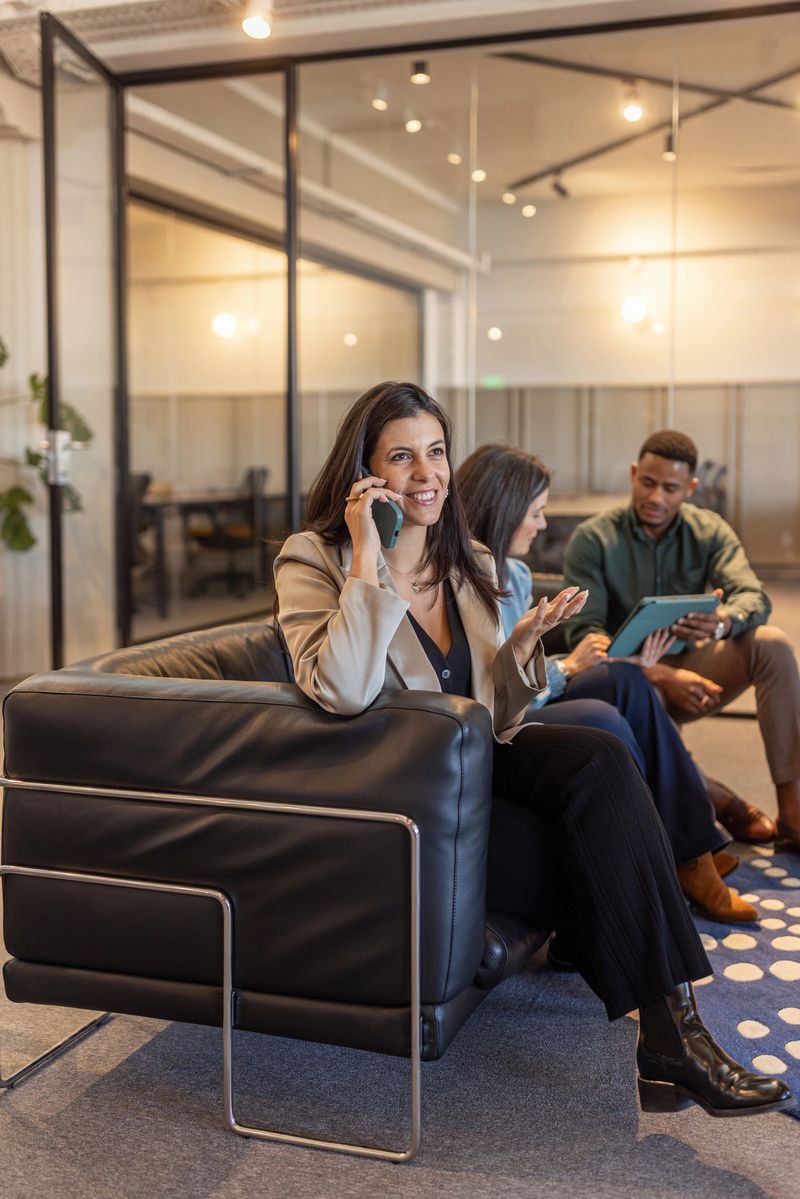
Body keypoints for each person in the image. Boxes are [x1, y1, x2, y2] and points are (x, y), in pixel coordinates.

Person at [274, 380, 791, 1119]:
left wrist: (518, 655)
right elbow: (344, 690)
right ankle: (665, 1027)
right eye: (402, 457)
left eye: (437, 452)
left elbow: (499, 715)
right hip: (405, 791)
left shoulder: (464, 556)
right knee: (589, 840)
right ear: (364, 472)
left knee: (602, 759)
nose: (427, 474)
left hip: (476, 760)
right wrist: (368, 555)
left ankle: (675, 1035)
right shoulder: (315, 559)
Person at [456, 443, 754, 924]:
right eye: (536, 513)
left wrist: (588, 661)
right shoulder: (463, 579)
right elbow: (498, 688)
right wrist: (568, 667)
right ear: (505, 510)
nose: (543, 525)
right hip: (505, 721)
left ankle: (690, 851)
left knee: (624, 677)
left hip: (531, 697)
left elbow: (519, 661)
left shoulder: (515, 571)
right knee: (607, 709)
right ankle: (687, 854)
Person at [563, 429, 800, 855]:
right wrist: (655, 673)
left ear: (690, 489)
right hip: (628, 676)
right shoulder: (594, 538)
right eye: (647, 482)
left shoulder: (708, 530)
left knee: (773, 643)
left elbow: (753, 595)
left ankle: (794, 812)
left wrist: (722, 623)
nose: (655, 496)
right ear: (634, 474)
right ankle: (719, 799)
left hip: (696, 663)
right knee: (634, 689)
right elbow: (586, 634)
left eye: (670, 488)